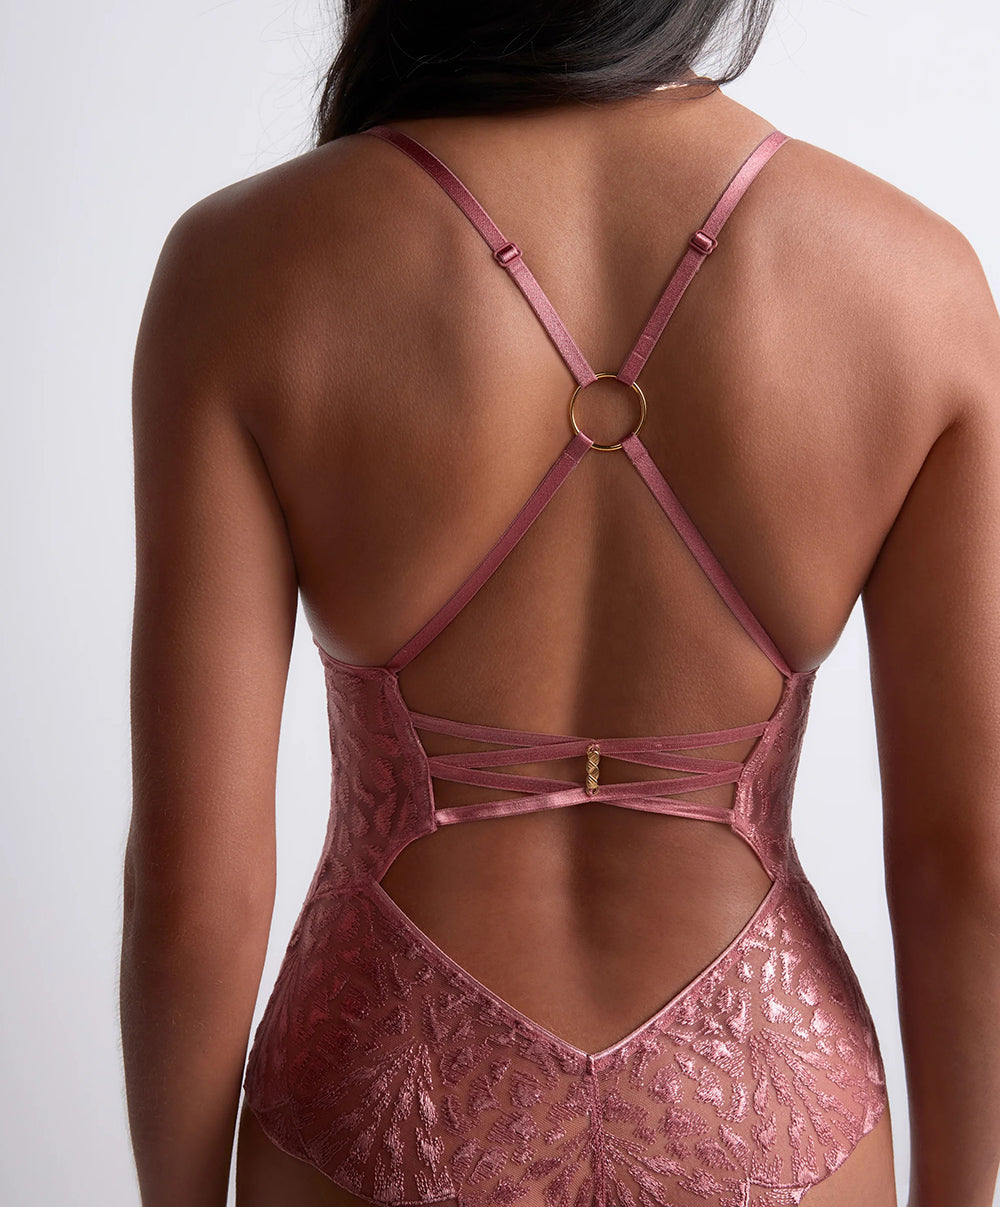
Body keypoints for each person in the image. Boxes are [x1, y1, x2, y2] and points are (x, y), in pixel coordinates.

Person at [120, 2, 1000, 1205]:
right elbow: (968, 865)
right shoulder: (916, 280)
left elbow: (196, 882)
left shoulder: (246, 263)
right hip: (763, 1107)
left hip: (388, 1097)